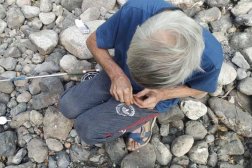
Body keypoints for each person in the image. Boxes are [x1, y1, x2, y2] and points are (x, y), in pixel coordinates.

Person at [60, 0, 223, 151]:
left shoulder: (211, 60)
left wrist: (163, 93)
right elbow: (93, 41)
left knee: (87, 130)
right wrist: (117, 74)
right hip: (119, 73)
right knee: (67, 106)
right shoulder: (136, 10)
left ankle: (144, 120)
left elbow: (200, 90)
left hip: (151, 99)